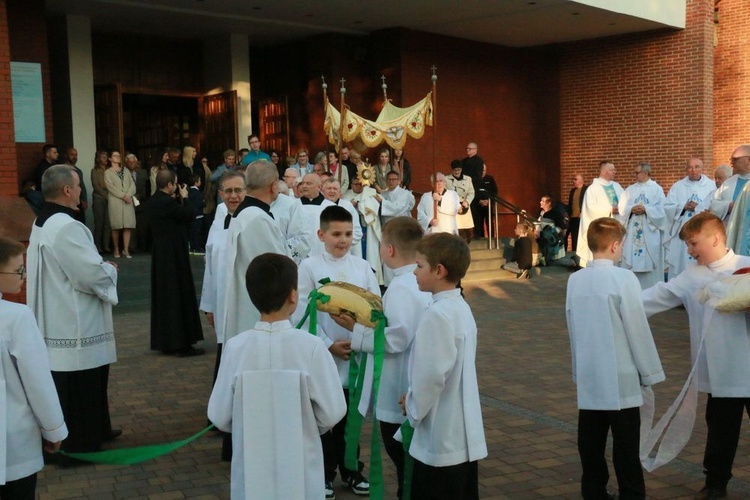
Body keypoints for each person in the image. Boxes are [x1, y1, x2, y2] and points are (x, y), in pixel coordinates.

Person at [208, 253, 346, 499]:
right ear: (294, 295)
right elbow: (333, 410)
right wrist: (307, 424)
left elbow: (219, 415)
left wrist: (246, 424)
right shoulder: (312, 347)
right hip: (302, 462)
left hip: (251, 465)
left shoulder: (236, 348)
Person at [641, 212, 750, 499]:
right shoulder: (693, 276)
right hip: (722, 372)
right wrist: (617, 300)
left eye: (693, 243)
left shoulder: (746, 267)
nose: (689, 251)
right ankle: (715, 483)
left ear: (715, 238)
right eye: (688, 245)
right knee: (721, 431)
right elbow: (657, 296)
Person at [331, 217, 431, 499]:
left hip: (398, 387)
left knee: (402, 458)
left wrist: (356, 329)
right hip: (409, 380)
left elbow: (396, 338)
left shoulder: (401, 286)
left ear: (388, 250)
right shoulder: (416, 281)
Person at [567, 217, 665, 499]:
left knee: (590, 442)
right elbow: (637, 326)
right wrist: (650, 372)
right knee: (625, 445)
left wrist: (577, 370)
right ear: (615, 245)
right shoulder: (623, 278)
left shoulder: (575, 280)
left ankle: (594, 491)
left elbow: (572, 325)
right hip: (621, 375)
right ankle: (632, 494)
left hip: (590, 372)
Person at [27, 165, 120, 457]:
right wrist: (109, 270)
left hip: (56, 313)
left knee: (79, 380)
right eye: (78, 185)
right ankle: (80, 443)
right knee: (82, 380)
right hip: (73, 317)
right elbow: (89, 274)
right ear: (67, 190)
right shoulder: (67, 226)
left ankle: (98, 429)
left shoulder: (43, 222)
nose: (81, 190)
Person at [293, 205, 381, 499]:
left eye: (348, 234)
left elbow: (376, 308)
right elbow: (301, 312)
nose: (342, 240)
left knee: (349, 417)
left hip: (355, 354)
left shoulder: (362, 267)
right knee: (324, 417)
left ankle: (352, 470)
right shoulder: (308, 267)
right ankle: (324, 474)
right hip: (323, 354)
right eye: (336, 234)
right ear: (321, 234)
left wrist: (358, 337)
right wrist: (326, 344)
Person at [401, 232, 487, 500]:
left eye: (419, 266)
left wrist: (413, 406)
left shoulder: (438, 315)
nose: (414, 272)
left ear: (439, 270)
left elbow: (432, 375)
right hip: (460, 424)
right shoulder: (460, 306)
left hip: (441, 430)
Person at [0, 237, 68, 497]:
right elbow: (37, 381)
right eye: (19, 270)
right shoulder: (16, 317)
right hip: (11, 440)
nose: (24, 276)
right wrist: (53, 429)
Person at [222, 160, 287, 343]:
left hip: (244, 304)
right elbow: (277, 270)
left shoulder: (243, 214)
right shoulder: (258, 219)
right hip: (258, 312)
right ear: (274, 186)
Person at [142, 169, 204, 357]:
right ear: (169, 185)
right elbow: (188, 215)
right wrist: (185, 197)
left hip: (160, 252)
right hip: (174, 253)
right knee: (178, 293)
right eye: (175, 183)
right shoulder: (168, 203)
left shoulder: (152, 201)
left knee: (165, 296)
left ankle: (166, 341)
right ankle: (180, 343)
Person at [201, 171, 246, 384]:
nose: (233, 196)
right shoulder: (219, 222)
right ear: (220, 194)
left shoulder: (255, 220)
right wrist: (209, 304)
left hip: (247, 305)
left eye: (238, 190)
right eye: (228, 191)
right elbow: (210, 262)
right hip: (222, 301)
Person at [617, 162, 668, 289]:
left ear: (645, 173)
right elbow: (622, 207)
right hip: (633, 229)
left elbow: (663, 209)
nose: (635, 175)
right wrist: (631, 209)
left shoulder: (657, 189)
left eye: (637, 172)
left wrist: (646, 209)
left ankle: (650, 290)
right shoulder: (630, 189)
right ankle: (631, 289)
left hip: (649, 231)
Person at [664, 157, 715, 279]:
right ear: (686, 169)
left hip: (703, 229)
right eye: (690, 167)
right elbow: (667, 206)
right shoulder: (678, 186)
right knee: (681, 260)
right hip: (682, 229)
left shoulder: (711, 185)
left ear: (702, 169)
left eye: (697, 167)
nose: (693, 170)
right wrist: (683, 207)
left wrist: (698, 207)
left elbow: (715, 205)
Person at [577, 161, 624, 267]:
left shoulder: (617, 186)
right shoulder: (592, 189)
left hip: (616, 228)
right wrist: (610, 209)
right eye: (612, 170)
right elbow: (590, 209)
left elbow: (625, 202)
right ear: (603, 171)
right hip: (601, 231)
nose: (615, 172)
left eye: (614, 169)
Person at [104, 151, 136, 259]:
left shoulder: (125, 170)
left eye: (118, 156)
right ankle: (116, 248)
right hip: (116, 201)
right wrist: (123, 196)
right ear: (110, 159)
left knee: (128, 225)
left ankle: (126, 250)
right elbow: (110, 187)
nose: (117, 157)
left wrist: (128, 195)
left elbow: (132, 184)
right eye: (115, 156)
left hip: (127, 200)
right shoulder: (108, 172)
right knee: (116, 226)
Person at [711, 145, 750, 221]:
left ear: (749, 160)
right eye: (731, 159)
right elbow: (713, 203)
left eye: (735, 159)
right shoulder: (728, 183)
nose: (731, 163)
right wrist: (728, 206)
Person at [445, 160, 475, 244]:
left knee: (468, 232)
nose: (457, 172)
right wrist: (455, 204)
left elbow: (471, 192)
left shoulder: (468, 179)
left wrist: (467, 201)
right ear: (452, 170)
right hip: (454, 207)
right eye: (455, 170)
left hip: (465, 206)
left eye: (459, 170)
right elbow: (446, 193)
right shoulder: (446, 179)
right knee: (457, 231)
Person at [461, 142, 486, 234]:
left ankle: (476, 234)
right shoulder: (463, 161)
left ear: (475, 150)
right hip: (463, 191)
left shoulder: (478, 161)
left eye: (470, 148)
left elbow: (477, 176)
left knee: (475, 213)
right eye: (467, 148)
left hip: (473, 190)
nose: (468, 150)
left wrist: (468, 182)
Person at [91, 149, 112, 253]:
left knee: (107, 223)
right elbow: (96, 186)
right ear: (98, 158)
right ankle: (97, 246)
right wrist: (106, 196)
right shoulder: (94, 171)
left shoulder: (110, 170)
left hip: (110, 197)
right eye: (103, 157)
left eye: (106, 156)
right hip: (99, 198)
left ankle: (106, 245)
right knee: (99, 223)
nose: (105, 159)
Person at [64, 147, 88, 224]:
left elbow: (82, 186)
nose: (74, 157)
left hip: (78, 203)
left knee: (80, 223)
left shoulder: (79, 171)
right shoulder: (61, 170)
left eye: (76, 155)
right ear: (66, 155)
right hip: (67, 203)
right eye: (72, 154)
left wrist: (84, 199)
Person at [475, 165, 498, 239]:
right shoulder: (474, 179)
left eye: (483, 170)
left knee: (490, 222)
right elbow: (472, 192)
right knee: (478, 223)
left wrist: (489, 201)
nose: (482, 172)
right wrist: (479, 201)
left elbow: (495, 192)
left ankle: (491, 238)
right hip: (478, 205)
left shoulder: (490, 179)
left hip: (488, 204)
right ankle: (480, 238)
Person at [566, 174, 587, 252]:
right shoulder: (573, 191)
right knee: (574, 236)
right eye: (573, 179)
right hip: (573, 217)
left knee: (581, 235)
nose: (573, 181)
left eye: (575, 179)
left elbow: (587, 202)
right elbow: (570, 203)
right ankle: (574, 252)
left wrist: (583, 212)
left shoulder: (586, 189)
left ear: (581, 180)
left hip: (581, 217)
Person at [187, 174, 205, 254]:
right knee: (197, 232)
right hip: (198, 215)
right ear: (196, 182)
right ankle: (197, 248)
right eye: (199, 180)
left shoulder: (189, 191)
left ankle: (192, 247)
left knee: (192, 231)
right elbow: (199, 204)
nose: (200, 182)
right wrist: (204, 203)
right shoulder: (197, 192)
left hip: (191, 215)